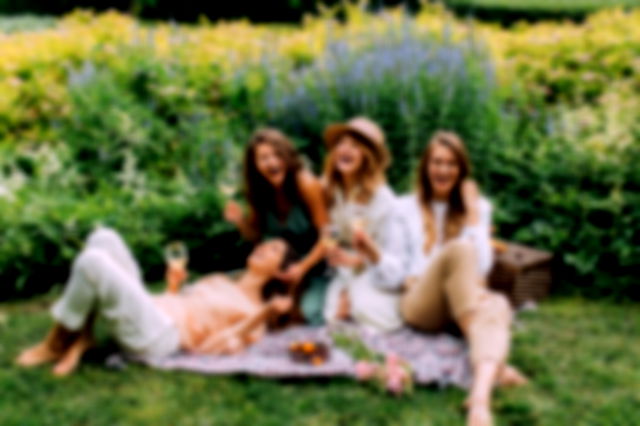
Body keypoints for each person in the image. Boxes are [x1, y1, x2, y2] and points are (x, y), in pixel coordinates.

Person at [16, 227, 294, 376]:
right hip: (153, 310)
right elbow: (182, 303)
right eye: (264, 243)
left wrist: (264, 314)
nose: (262, 247)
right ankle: (84, 335)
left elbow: (210, 349)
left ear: (280, 271)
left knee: (92, 261)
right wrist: (173, 284)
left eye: (273, 250)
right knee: (104, 237)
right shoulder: (220, 279)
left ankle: (56, 342)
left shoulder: (256, 313)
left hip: (161, 337)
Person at [397, 131, 527, 426]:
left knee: (498, 302)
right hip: (421, 302)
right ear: (425, 167)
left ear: (462, 170)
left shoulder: (478, 209)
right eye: (437, 162)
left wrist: (472, 216)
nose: (443, 170)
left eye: (451, 164)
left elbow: (481, 266)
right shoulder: (404, 208)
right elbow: (399, 265)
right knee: (460, 252)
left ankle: (479, 400)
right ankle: (498, 364)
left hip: (460, 307)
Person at [224, 129, 329, 325]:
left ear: (287, 156)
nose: (272, 162)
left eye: (277, 155)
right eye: (263, 158)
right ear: (255, 165)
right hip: (275, 271)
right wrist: (239, 221)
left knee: (309, 313)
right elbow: (254, 237)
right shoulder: (258, 191)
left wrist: (302, 268)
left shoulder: (305, 184)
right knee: (232, 299)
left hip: (313, 268)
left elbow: (329, 237)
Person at [321, 117, 405, 333]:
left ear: (368, 157)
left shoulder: (383, 199)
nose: (345, 150)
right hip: (347, 267)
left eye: (355, 145)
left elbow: (392, 257)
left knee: (364, 308)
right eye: (342, 143)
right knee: (332, 311)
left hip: (378, 269)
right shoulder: (331, 188)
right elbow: (333, 229)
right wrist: (333, 245)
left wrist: (359, 261)